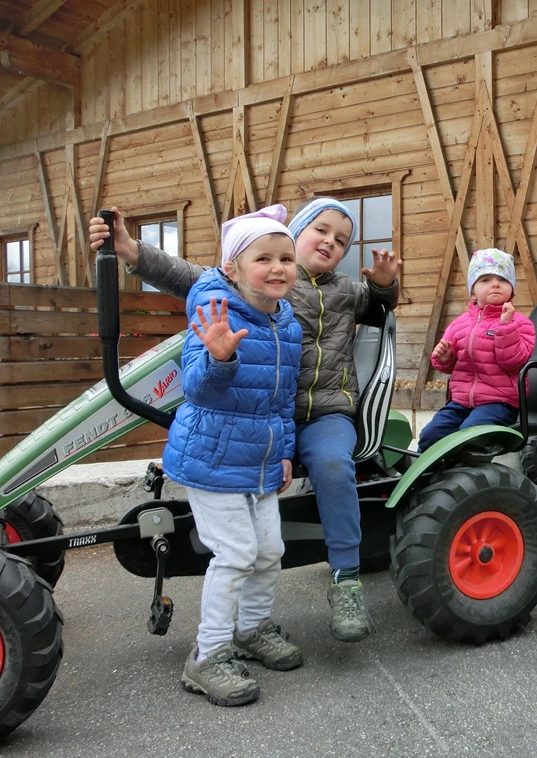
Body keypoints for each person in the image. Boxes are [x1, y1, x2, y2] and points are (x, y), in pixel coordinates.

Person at [89, 198, 400, 643]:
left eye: (341, 240)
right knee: (253, 536)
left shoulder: (347, 290)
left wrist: (386, 285)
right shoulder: (265, 280)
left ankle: (345, 579)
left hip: (325, 411)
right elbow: (188, 276)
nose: (331, 242)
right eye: (321, 230)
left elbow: (379, 305)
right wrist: (131, 249)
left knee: (333, 465)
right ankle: (238, 623)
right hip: (266, 414)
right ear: (294, 232)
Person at [165, 205, 303, 706]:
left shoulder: (287, 323)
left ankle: (251, 629)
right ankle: (208, 655)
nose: (277, 267)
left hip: (262, 459)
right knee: (238, 553)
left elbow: (283, 398)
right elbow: (196, 388)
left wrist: (285, 451)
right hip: (212, 456)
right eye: (262, 257)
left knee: (270, 552)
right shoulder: (214, 311)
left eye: (286, 257)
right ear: (232, 268)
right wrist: (220, 357)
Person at [416, 248, 536, 451]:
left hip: (500, 402)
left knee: (469, 434)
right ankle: (428, 479)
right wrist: (445, 358)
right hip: (461, 401)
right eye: (486, 279)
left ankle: (463, 478)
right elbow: (449, 365)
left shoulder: (521, 324)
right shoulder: (459, 324)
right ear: (473, 291)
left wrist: (506, 326)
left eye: (503, 279)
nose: (495, 284)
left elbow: (514, 362)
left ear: (512, 289)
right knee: (431, 436)